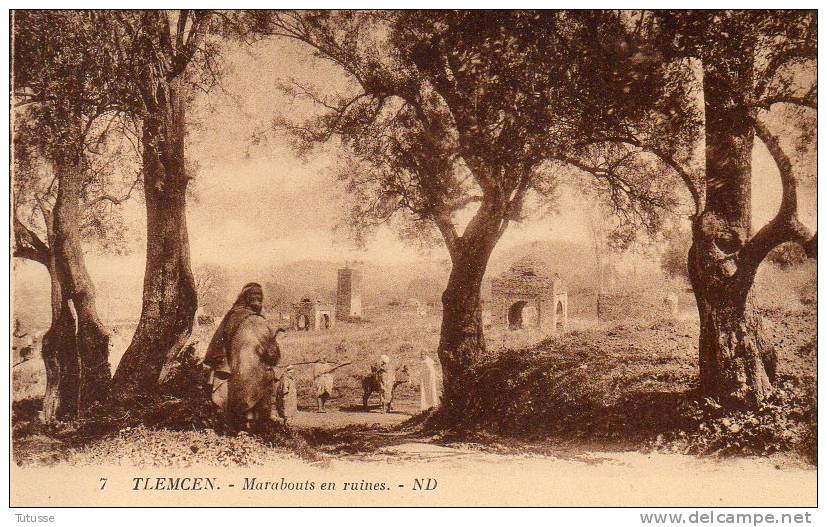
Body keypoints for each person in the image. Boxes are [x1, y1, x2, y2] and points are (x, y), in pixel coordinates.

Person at [205, 283, 279, 431]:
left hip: (234, 376)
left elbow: (217, 348)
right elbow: (272, 354)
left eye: (260, 297)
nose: (258, 300)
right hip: (254, 377)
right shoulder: (258, 321)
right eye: (255, 297)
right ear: (247, 299)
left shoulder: (231, 317)